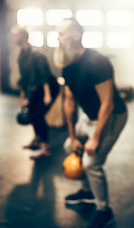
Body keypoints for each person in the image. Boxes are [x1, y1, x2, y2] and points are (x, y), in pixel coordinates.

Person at [54, 18, 127, 228]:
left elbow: (108, 103)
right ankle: (87, 192)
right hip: (89, 115)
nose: (57, 39)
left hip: (112, 115)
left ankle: (104, 210)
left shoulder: (97, 62)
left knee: (90, 162)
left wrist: (95, 138)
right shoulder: (67, 65)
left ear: (76, 36)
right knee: (70, 146)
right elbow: (69, 101)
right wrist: (73, 135)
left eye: (61, 34)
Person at [11, 26, 59, 159]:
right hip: (36, 88)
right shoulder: (22, 55)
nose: (13, 38)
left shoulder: (36, 54)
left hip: (49, 87)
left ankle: (44, 146)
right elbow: (24, 79)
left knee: (39, 114)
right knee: (32, 112)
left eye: (15, 35)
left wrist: (47, 95)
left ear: (23, 37)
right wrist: (23, 97)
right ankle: (37, 139)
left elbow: (44, 76)